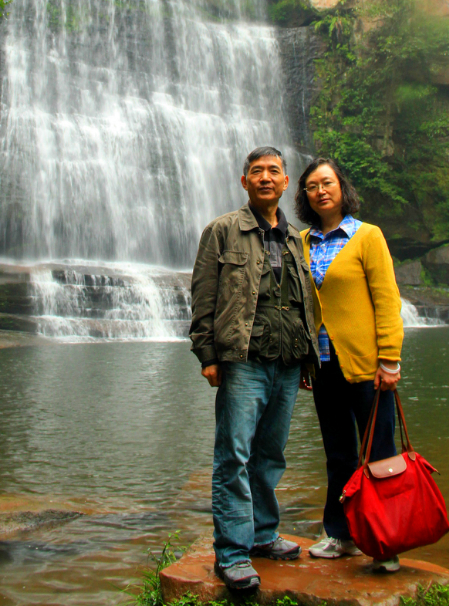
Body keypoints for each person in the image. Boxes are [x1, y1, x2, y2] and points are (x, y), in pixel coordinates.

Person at [190, 146, 319, 592]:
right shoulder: (222, 230)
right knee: (235, 457)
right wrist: (207, 355)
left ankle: (264, 534)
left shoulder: (295, 238)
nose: (266, 178)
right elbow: (203, 297)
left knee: (270, 455)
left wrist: (307, 357)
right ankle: (231, 552)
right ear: (244, 182)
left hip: (286, 364)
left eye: (274, 172)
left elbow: (305, 302)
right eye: (257, 172)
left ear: (286, 184)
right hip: (243, 361)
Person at [295, 156, 404, 573]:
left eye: (327, 182)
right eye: (311, 186)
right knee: (338, 454)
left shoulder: (367, 236)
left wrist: (390, 360)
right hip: (323, 366)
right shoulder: (301, 242)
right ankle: (340, 535)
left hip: (367, 365)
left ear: (342, 188)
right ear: (304, 196)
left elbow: (386, 301)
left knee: (379, 454)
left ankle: (386, 542)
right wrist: (305, 360)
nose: (321, 190)